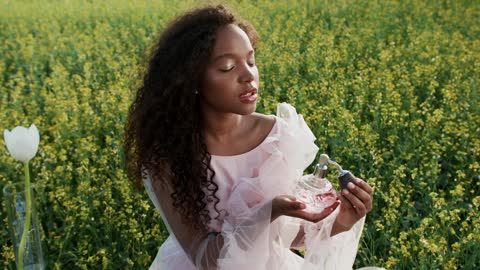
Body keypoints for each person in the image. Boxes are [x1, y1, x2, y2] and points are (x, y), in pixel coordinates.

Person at [124, 5, 375, 270]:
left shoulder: (277, 136)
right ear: (192, 80)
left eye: (251, 61)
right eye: (228, 67)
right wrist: (268, 211)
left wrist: (341, 221)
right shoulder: (168, 155)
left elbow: (281, 238)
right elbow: (206, 259)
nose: (248, 76)